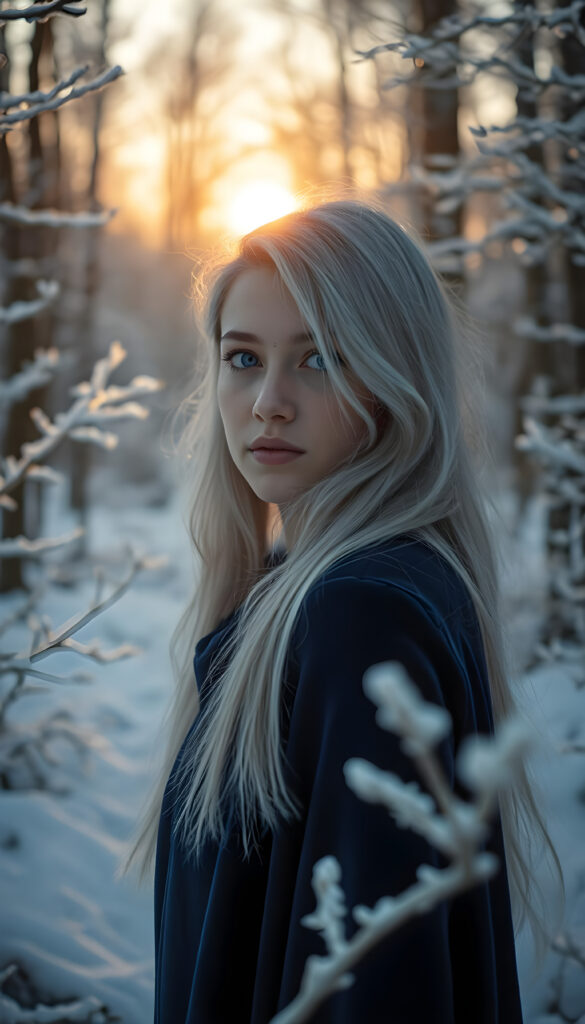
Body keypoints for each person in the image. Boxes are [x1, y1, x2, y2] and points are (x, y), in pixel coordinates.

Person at [123, 199, 561, 1023]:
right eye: (243, 358)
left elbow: (379, 989)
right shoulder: (316, 592)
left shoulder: (358, 618)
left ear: (395, 379)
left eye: (319, 358)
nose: (269, 403)